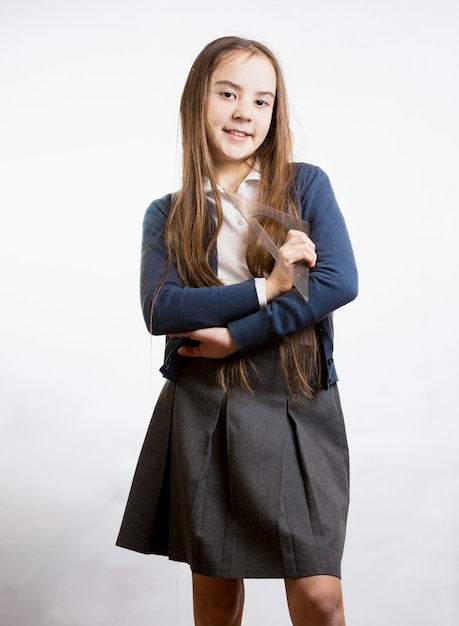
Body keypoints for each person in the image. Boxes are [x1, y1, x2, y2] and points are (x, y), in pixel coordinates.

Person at [116, 35, 358, 626]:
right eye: (228, 93)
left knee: (320, 593)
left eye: (262, 100)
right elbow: (161, 309)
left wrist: (236, 335)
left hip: (298, 398)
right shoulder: (168, 213)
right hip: (207, 402)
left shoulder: (304, 185)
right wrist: (266, 288)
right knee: (218, 596)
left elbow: (337, 283)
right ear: (198, 100)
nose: (245, 112)